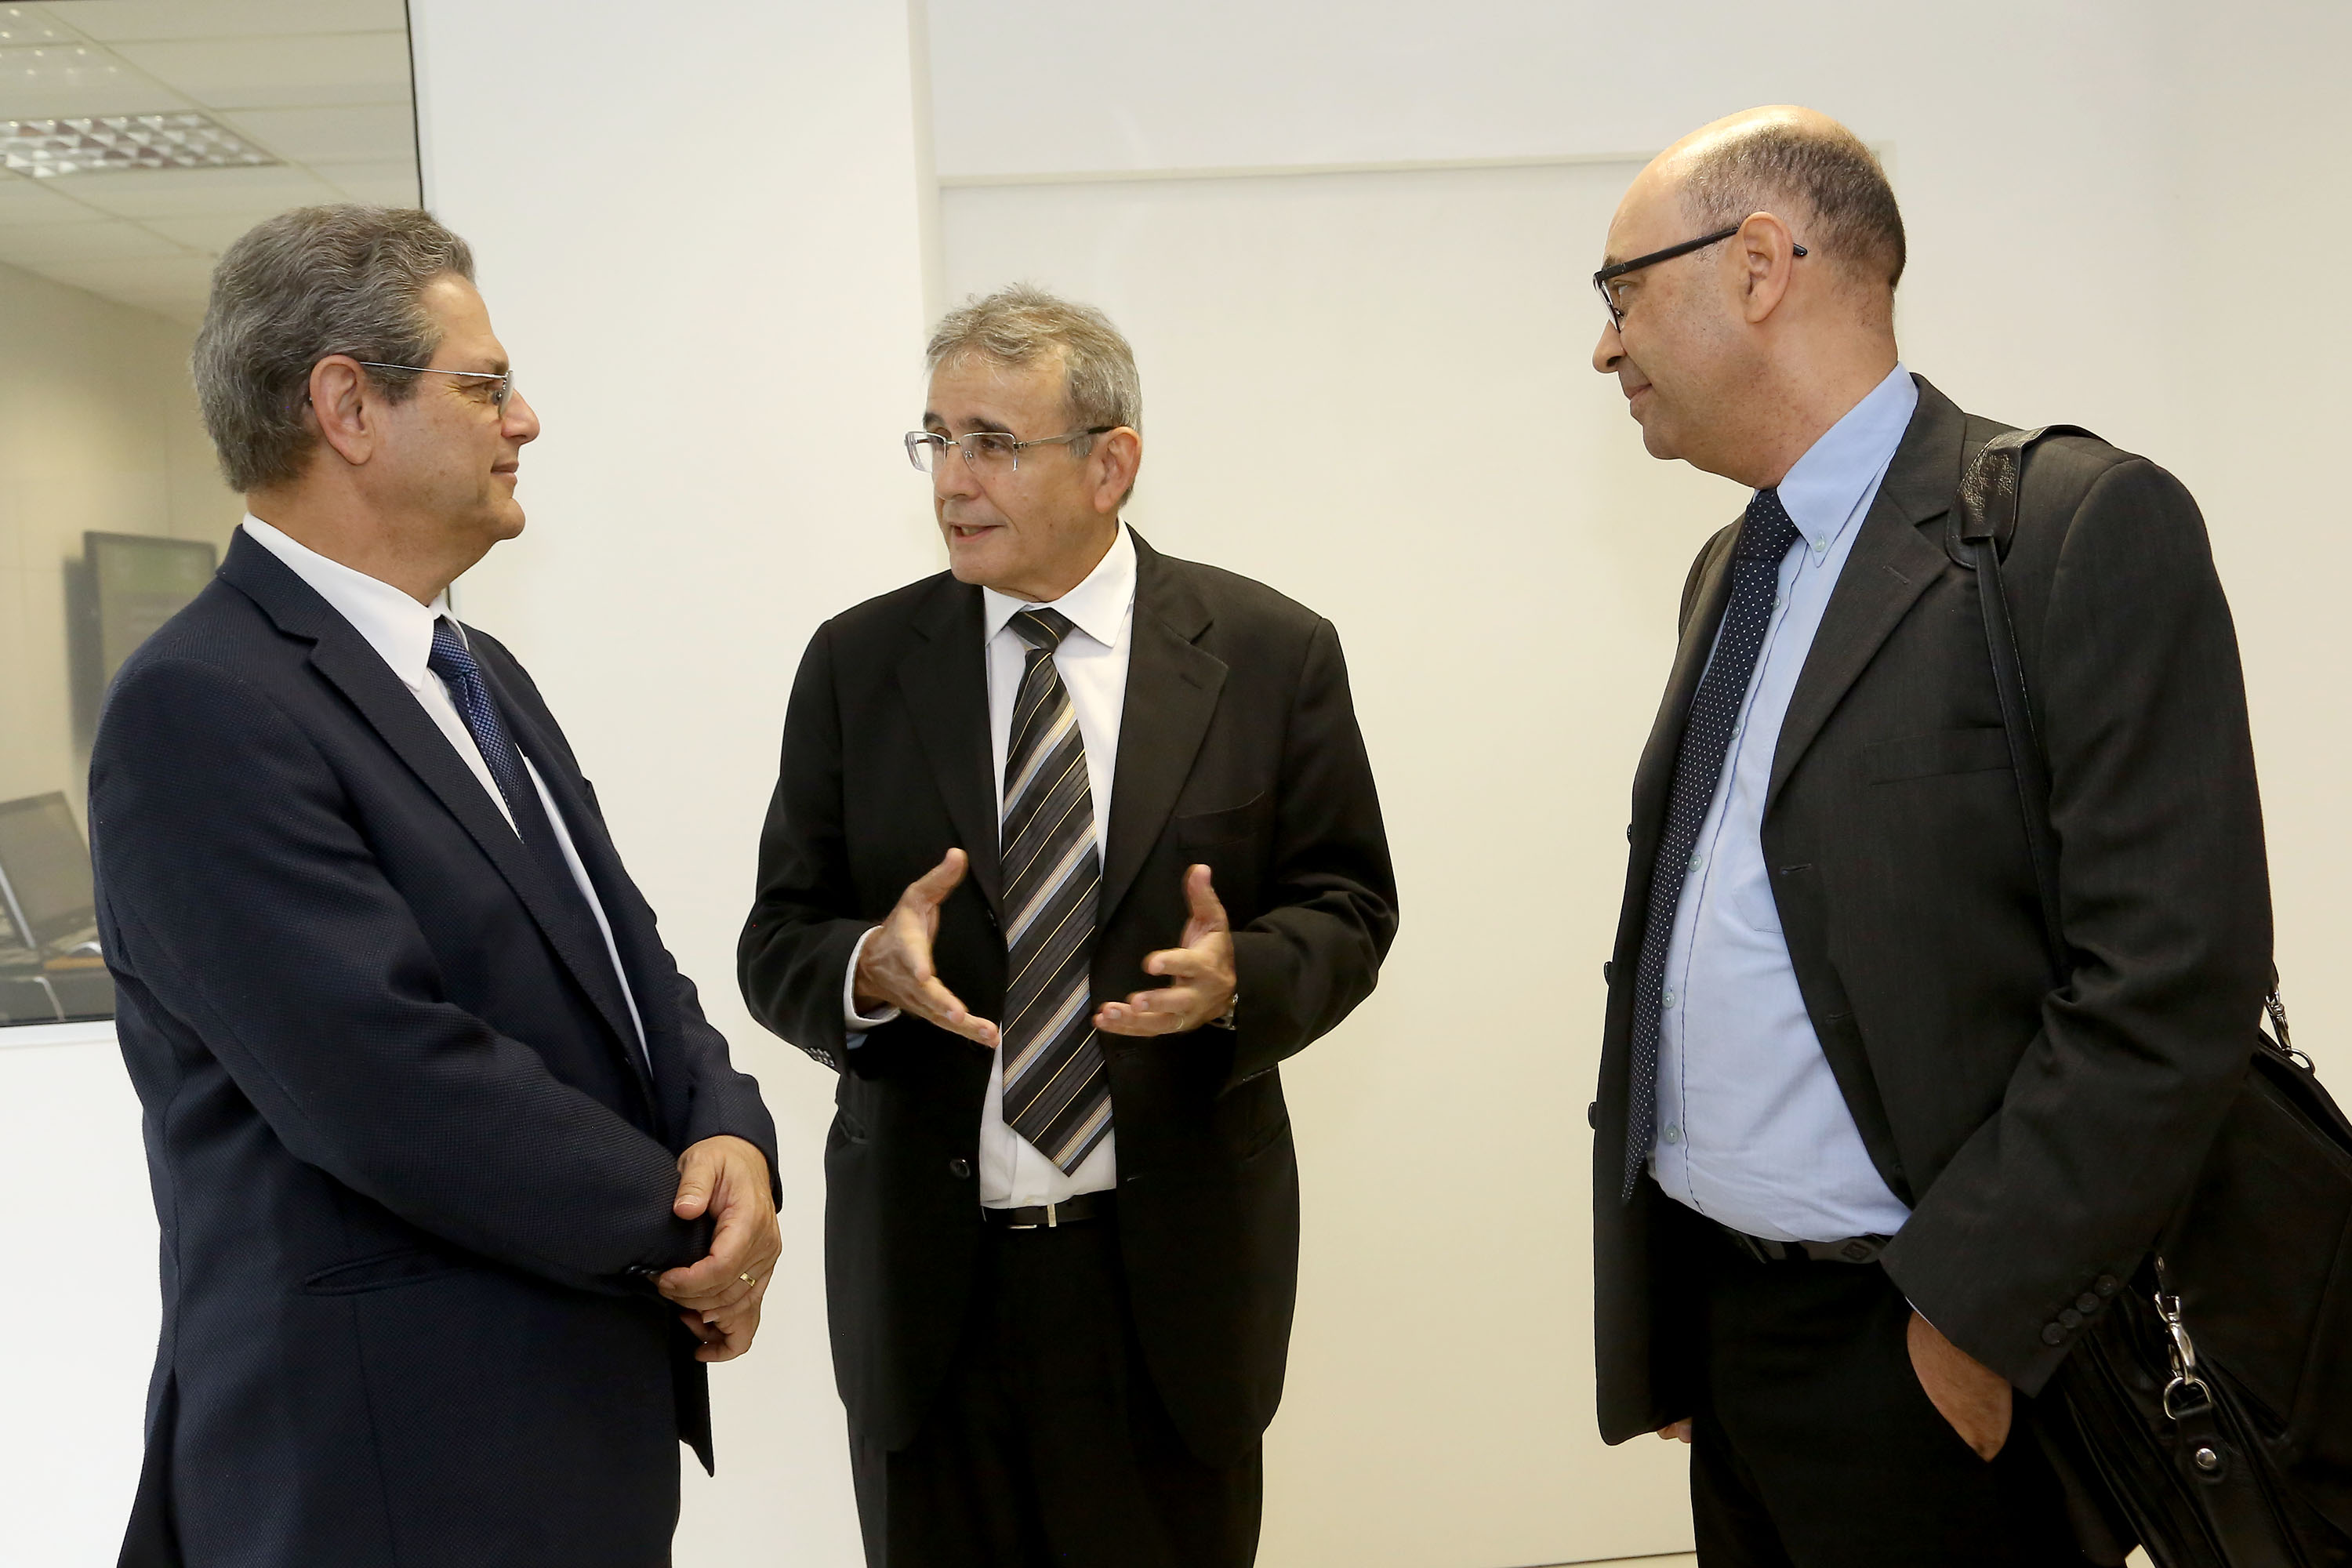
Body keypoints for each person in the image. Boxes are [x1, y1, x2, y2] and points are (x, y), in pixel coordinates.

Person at [1585, 109, 2270, 1566]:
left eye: (1622, 291)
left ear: (1760, 264)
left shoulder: (2069, 528)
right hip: (1737, 1335)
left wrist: (1972, 1320)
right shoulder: (1735, 566)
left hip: (1943, 1356)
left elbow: (2172, 980)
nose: (1606, 346)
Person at [90, 205, 781, 1568]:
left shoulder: (477, 674)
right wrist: (684, 1223)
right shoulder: (201, 706)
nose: (524, 421)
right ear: (347, 406)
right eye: (484, 386)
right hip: (387, 1473)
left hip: (555, 1435)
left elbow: (625, 963)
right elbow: (386, 1080)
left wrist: (733, 1130)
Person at [740, 285, 1397, 1567]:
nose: (952, 482)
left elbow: (1351, 906)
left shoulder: (1269, 652)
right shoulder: (857, 664)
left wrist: (1239, 979)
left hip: (1164, 1286)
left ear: (1112, 465)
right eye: (937, 439)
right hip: (931, 1292)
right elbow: (779, 938)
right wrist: (867, 969)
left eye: (993, 442)